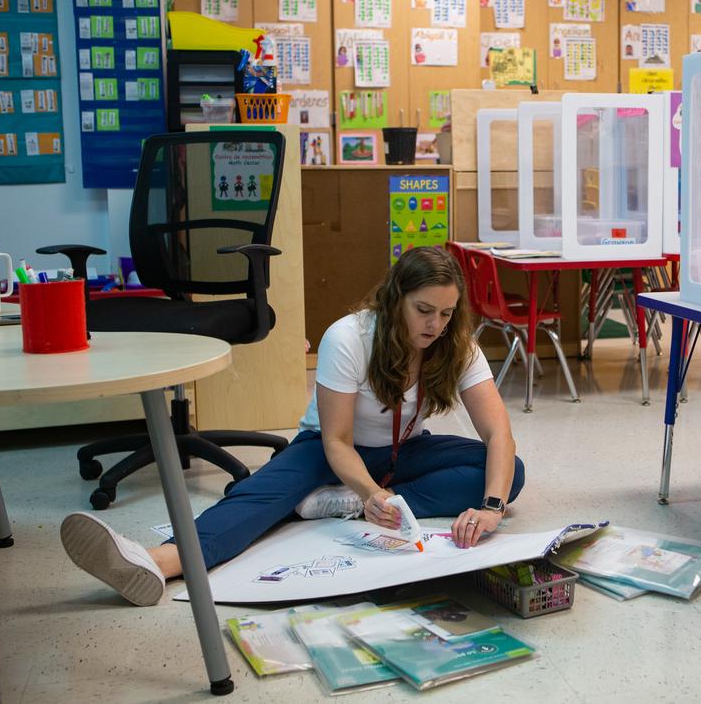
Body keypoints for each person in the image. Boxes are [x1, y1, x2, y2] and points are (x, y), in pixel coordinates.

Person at [59, 247, 524, 606]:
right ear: (394, 298)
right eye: (424, 310)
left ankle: (340, 503)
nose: (435, 325)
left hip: (403, 451)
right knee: (261, 499)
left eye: (446, 314)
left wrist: (492, 507)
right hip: (329, 449)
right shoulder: (349, 336)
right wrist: (369, 491)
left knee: (508, 471)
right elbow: (338, 439)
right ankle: (154, 563)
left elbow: (498, 433)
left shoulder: (456, 345)